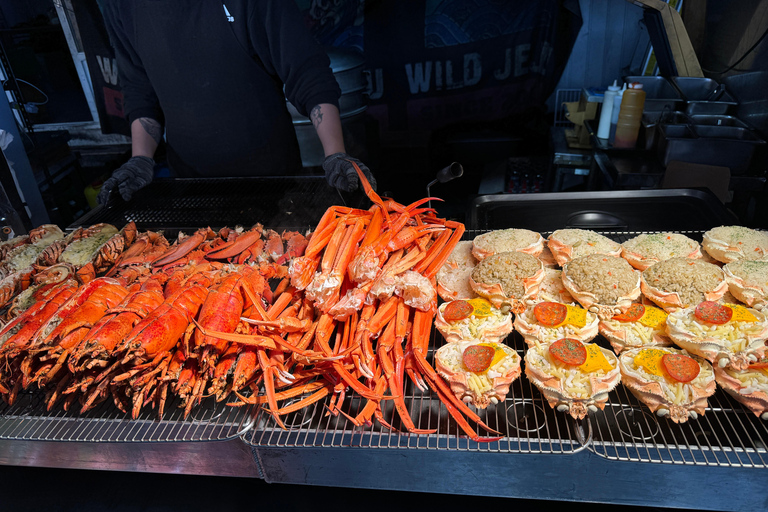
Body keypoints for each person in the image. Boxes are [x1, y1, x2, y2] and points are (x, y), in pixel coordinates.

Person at [96, 0, 375, 204]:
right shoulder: (123, 6)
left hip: (273, 181)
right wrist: (140, 160)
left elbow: (306, 71)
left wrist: (335, 154)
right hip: (189, 183)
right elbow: (139, 87)